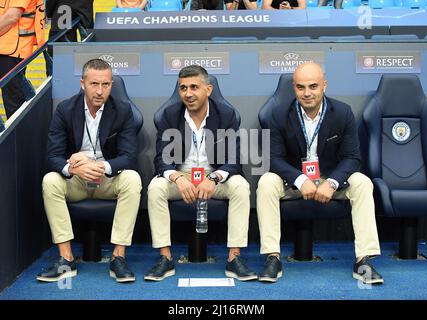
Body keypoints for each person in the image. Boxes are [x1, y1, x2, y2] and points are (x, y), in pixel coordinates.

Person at [256, 62, 384, 284]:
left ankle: (364, 260)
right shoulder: (278, 115)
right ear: (294, 87)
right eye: (301, 87)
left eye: (313, 86)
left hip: (330, 178)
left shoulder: (342, 112)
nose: (307, 93)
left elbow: (352, 158)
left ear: (324, 85)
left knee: (363, 183)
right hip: (293, 182)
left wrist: (332, 182)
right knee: (266, 182)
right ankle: (272, 257)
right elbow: (274, 160)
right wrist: (301, 179)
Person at [146, 65, 256, 281]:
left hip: (213, 175)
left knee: (241, 186)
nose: (188, 93)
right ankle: (165, 258)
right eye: (183, 88)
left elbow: (234, 160)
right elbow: (161, 159)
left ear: (208, 89)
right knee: (155, 187)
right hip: (182, 176)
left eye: (194, 87)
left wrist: (213, 178)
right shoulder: (169, 115)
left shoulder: (226, 115)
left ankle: (234, 258)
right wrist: (177, 178)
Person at [37, 59, 142, 283]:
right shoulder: (65, 109)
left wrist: (100, 167)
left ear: (112, 85)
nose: (100, 91)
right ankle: (66, 259)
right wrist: (73, 169)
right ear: (83, 83)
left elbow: (129, 157)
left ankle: (118, 258)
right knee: (50, 180)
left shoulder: (122, 111)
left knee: (132, 179)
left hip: (107, 180)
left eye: (106, 84)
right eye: (94, 84)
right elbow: (52, 155)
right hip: (76, 180)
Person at [0, 0, 45, 119]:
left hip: (13, 51)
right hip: (8, 49)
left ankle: (20, 137)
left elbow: (12, 16)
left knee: (13, 105)